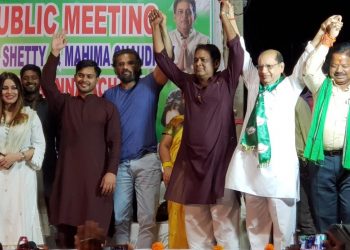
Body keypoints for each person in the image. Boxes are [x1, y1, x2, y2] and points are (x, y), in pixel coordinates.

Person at [224, 16, 339, 249]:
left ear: (281, 68)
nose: (263, 71)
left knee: (283, 233)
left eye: (269, 66)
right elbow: (240, 50)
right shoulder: (254, 82)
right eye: (260, 66)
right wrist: (229, 19)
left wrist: (321, 32)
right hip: (251, 170)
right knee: (255, 229)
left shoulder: (290, 86)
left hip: (279, 174)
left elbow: (307, 58)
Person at [151, 0, 243, 248]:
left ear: (216, 64)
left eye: (204, 60)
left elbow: (236, 51)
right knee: (195, 227)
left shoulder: (226, 82)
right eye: (197, 60)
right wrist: (156, 27)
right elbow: (162, 59)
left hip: (220, 165)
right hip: (192, 168)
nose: (199, 63)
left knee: (225, 226)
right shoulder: (188, 83)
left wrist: (226, 17)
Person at [41, 32, 121, 248]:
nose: (84, 79)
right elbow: (47, 84)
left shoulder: (108, 108)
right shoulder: (66, 104)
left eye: (89, 76)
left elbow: (115, 142)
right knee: (66, 237)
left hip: (96, 182)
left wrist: (111, 172)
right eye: (80, 75)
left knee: (93, 236)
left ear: (97, 80)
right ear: (75, 78)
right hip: (68, 179)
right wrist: (54, 53)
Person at [103, 14, 171, 249]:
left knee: (146, 219)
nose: (125, 67)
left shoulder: (150, 85)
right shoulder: (108, 96)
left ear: (138, 66)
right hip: (119, 165)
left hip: (147, 161)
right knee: (120, 217)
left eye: (130, 62)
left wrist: (157, 27)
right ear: (115, 68)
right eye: (120, 64)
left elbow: (167, 60)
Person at [303, 16, 348, 233]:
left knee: (348, 221)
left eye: (345, 65)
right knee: (325, 222)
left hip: (349, 165)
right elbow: (309, 69)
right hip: (323, 161)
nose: (339, 70)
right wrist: (328, 37)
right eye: (334, 65)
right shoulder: (322, 87)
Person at [0, 72, 46, 247]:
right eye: (4, 88)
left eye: (13, 87)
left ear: (19, 91)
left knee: (21, 219)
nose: (9, 92)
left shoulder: (30, 116)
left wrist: (17, 155)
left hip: (21, 175)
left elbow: (39, 146)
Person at [159, 114, 186, 249]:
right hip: (177, 177)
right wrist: (167, 166)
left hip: (200, 179)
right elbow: (164, 145)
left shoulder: (210, 117)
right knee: (176, 219)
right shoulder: (177, 121)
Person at [295, 94, 317, 236]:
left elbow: (309, 134)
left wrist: (305, 160)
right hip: (276, 164)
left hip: (299, 162)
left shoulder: (297, 102)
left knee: (304, 214)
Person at [170, 0, 209, 73]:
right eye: (180, 12)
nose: (184, 16)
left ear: (195, 16)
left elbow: (207, 71)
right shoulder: (167, 38)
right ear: (174, 17)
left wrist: (190, 68)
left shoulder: (204, 40)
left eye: (188, 12)